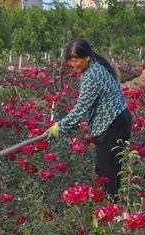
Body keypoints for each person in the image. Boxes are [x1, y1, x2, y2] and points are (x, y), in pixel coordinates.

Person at [48, 39, 132, 197]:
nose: (72, 64)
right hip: (119, 120)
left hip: (114, 124)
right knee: (112, 170)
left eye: (75, 60)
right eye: (70, 61)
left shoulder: (93, 74)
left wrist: (59, 127)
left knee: (105, 172)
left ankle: (111, 211)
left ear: (87, 58)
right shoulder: (94, 67)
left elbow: (81, 109)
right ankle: (117, 209)